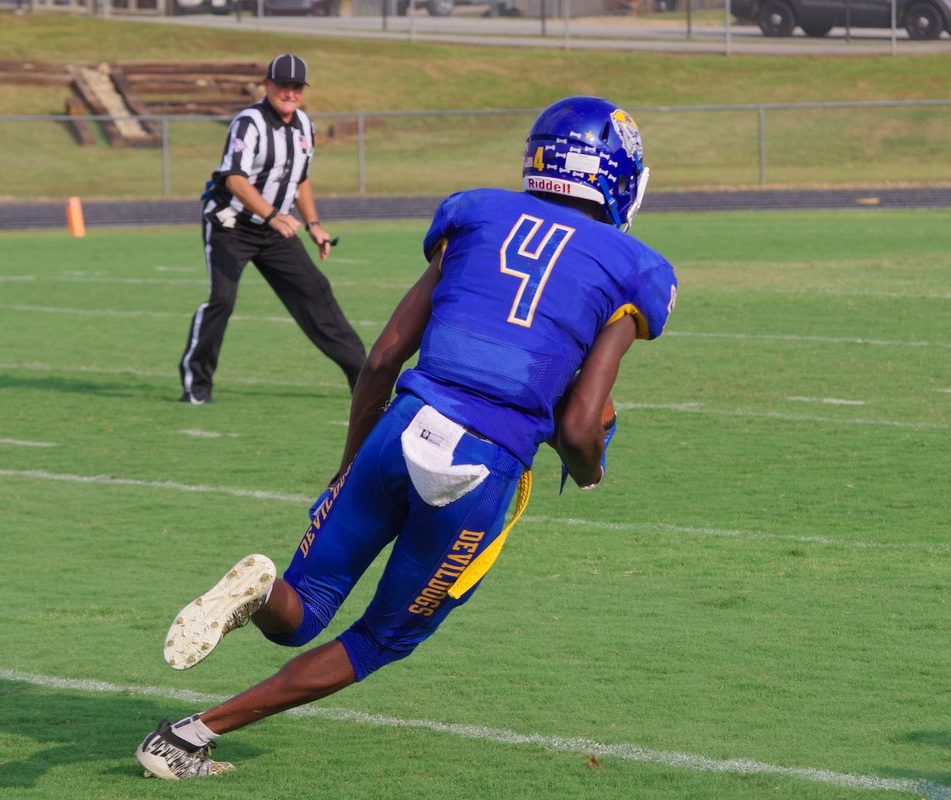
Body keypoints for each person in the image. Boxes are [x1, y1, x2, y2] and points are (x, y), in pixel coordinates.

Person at [138, 95, 679, 779]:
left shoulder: (476, 213)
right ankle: (188, 737)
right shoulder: (637, 267)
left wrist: (350, 463)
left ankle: (261, 591)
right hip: (479, 466)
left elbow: (383, 358)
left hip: (401, 424)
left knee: (304, 609)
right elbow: (580, 423)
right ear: (618, 176)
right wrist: (592, 466)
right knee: (382, 637)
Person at [178, 53, 366, 405]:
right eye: (283, 85)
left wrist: (314, 224)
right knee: (222, 299)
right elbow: (234, 178)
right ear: (267, 85)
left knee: (315, 290)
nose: (290, 93)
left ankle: (364, 378)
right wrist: (273, 214)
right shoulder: (249, 122)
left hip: (275, 230)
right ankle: (196, 385)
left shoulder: (305, 125)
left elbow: (301, 180)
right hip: (231, 225)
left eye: (297, 87)